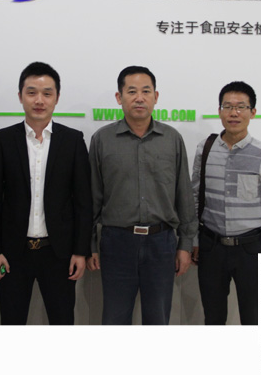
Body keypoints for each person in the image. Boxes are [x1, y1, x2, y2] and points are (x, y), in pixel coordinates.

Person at [0, 62, 92, 325]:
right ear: (20, 96)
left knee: (62, 321)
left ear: (57, 98)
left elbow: (83, 201)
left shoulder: (73, 141)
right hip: (13, 253)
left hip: (59, 253)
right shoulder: (4, 139)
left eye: (47, 93)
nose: (39, 100)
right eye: (31, 92)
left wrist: (80, 251)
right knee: (12, 322)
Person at [87, 65, 197, 325]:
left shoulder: (172, 139)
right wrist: (90, 245)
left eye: (146, 91)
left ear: (155, 97)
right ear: (119, 97)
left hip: (162, 243)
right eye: (132, 91)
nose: (139, 98)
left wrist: (185, 244)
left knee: (158, 319)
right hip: (116, 242)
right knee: (114, 319)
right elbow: (92, 197)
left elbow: (184, 195)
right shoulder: (102, 140)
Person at [191, 81, 261, 325]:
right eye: (228, 106)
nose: (234, 113)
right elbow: (195, 197)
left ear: (252, 112)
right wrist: (193, 240)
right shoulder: (205, 149)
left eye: (241, 107)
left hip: (249, 249)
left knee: (253, 320)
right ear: (219, 111)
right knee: (213, 318)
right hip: (211, 246)